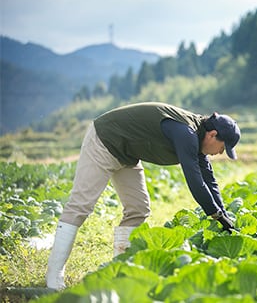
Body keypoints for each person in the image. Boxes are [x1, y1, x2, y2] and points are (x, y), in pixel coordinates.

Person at [46, 102, 241, 290]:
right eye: (223, 148)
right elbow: (196, 183)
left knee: (138, 209)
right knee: (81, 206)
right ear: (213, 135)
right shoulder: (186, 133)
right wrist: (216, 215)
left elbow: (210, 182)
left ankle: (120, 271)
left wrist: (225, 216)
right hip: (105, 139)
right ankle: (54, 278)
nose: (220, 153)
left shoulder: (198, 140)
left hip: (127, 154)